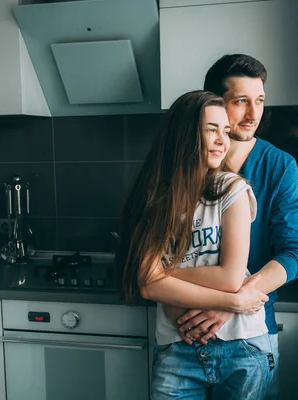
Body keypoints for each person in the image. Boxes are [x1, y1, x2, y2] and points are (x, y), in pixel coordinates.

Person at [165, 54, 298, 399]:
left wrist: (231, 301)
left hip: (251, 336)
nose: (253, 113)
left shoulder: (279, 166)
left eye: (259, 100)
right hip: (181, 333)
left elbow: (296, 253)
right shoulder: (181, 170)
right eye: (241, 101)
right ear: (213, 103)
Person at [116, 90, 275, 399]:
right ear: (184, 135)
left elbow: (229, 277)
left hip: (240, 346)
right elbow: (148, 287)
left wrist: (163, 274)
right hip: (178, 350)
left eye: (225, 131)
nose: (222, 140)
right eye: (211, 130)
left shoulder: (233, 189)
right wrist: (232, 302)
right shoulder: (154, 199)